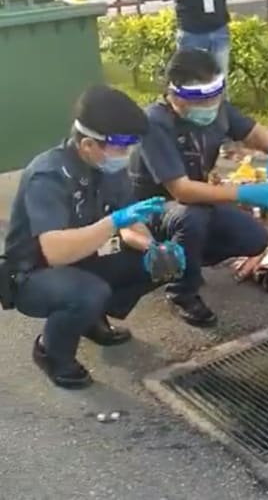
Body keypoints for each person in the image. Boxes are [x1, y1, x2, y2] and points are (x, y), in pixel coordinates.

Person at [3, 86, 183, 388]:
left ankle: (90, 319)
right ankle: (51, 351)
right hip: (33, 273)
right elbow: (55, 252)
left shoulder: (108, 167)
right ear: (87, 145)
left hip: (85, 257)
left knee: (159, 263)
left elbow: (131, 221)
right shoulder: (48, 175)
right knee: (88, 292)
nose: (126, 156)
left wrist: (154, 247)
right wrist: (114, 222)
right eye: (121, 148)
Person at [129, 48, 268, 327]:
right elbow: (181, 190)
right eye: (204, 100)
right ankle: (181, 290)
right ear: (176, 96)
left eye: (217, 96)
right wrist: (244, 192)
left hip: (194, 205)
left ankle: (182, 256)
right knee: (190, 217)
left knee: (254, 239)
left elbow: (252, 132)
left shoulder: (216, 109)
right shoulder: (155, 124)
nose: (212, 105)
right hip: (151, 211)